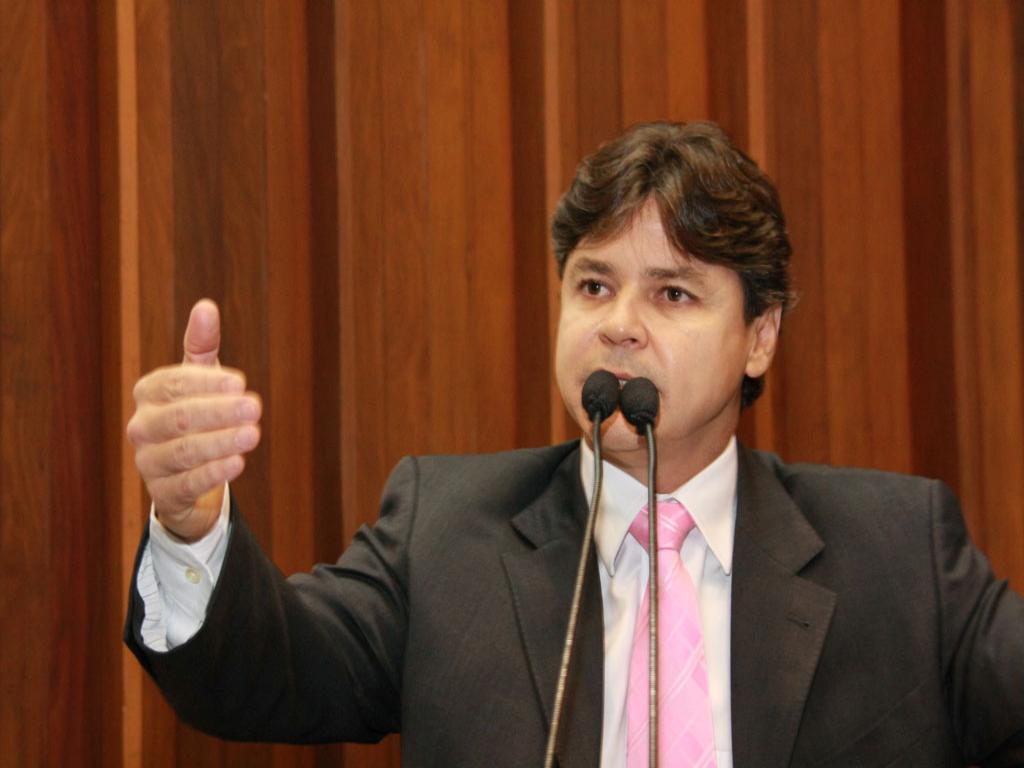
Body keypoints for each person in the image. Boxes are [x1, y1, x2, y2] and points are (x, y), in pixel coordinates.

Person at [125, 122, 1024, 767]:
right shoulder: (447, 534)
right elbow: (260, 676)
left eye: (673, 293)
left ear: (760, 336)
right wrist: (190, 524)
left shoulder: (898, 552)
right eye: (594, 286)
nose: (619, 325)